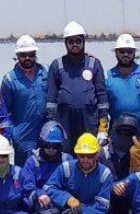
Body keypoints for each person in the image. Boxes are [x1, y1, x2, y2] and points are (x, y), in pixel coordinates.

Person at [42, 133, 115, 214]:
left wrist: (80, 211)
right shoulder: (66, 167)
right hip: (66, 212)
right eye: (82, 155)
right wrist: (68, 199)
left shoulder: (105, 174)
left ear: (97, 154)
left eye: (90, 155)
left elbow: (102, 205)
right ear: (76, 154)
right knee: (47, 210)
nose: (85, 159)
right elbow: (49, 188)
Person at [46, 21, 110, 154]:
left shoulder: (94, 63)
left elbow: (102, 98)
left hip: (89, 120)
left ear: (83, 41)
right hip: (65, 121)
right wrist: (52, 124)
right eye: (71, 41)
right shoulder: (57, 65)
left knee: (89, 155)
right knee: (65, 154)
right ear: (65, 43)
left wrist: (103, 128)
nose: (75, 44)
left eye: (78, 41)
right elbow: (51, 100)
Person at [0, 35, 48, 168]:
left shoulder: (46, 71)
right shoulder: (9, 79)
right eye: (23, 55)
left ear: (35, 55)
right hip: (23, 138)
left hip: (45, 136)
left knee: (45, 171)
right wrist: (12, 133)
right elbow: (4, 110)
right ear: (17, 56)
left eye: (31, 54)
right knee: (24, 173)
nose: (27, 58)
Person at [21, 121, 71, 214]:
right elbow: (28, 187)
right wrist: (39, 194)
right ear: (42, 143)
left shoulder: (67, 160)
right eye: (47, 145)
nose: (51, 149)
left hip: (60, 199)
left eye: (55, 146)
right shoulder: (32, 161)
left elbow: (73, 185)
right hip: (39, 201)